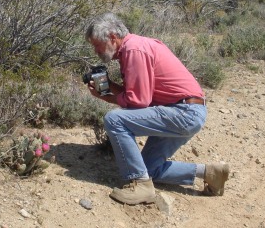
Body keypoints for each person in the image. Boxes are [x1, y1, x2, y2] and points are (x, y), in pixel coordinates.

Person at [85, 12, 229, 205]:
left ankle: (140, 185)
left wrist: (108, 98)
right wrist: (109, 86)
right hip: (185, 110)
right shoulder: (136, 47)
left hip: (182, 112)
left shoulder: (134, 50)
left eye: (96, 44)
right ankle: (210, 173)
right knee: (148, 168)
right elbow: (139, 94)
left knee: (114, 120)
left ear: (112, 37)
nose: (96, 50)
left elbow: (139, 101)